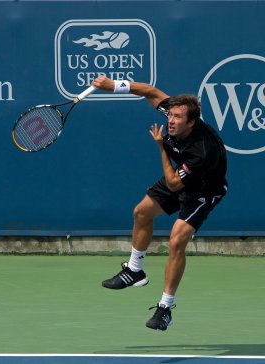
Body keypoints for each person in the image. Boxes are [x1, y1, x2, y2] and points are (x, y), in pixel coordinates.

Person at [92, 75, 228, 331]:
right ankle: (135, 269)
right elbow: (149, 90)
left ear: (192, 122)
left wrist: (161, 147)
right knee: (141, 212)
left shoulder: (202, 151)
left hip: (203, 191)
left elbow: (175, 184)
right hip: (179, 176)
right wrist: (113, 85)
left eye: (177, 118)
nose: (171, 120)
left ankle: (165, 308)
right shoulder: (176, 113)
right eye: (170, 115)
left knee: (176, 241)